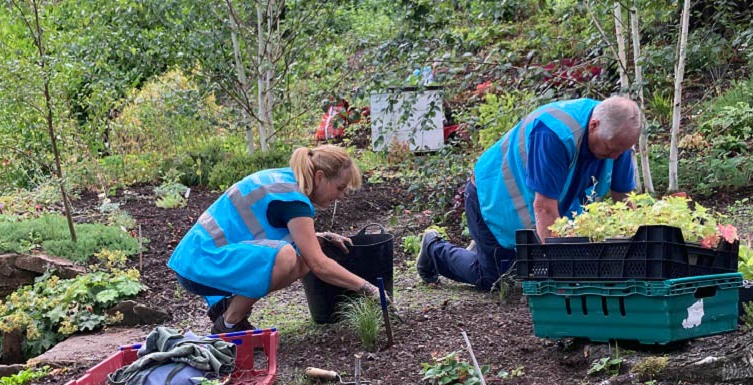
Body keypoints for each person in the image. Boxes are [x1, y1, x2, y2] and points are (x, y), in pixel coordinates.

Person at [416, 96, 642, 290]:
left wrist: (636, 253)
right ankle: (434, 249)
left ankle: (489, 248)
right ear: (593, 125)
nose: (615, 157)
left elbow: (623, 200)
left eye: (622, 151)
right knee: (498, 279)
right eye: (611, 149)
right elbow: (544, 208)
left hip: (540, 212)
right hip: (492, 197)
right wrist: (562, 278)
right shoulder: (554, 133)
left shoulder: (615, 136)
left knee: (535, 270)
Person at [168, 144, 387, 333]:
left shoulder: (287, 181)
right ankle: (229, 322)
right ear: (320, 177)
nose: (340, 196)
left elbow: (255, 232)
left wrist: (318, 236)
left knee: (298, 260)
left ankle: (228, 309)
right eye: (339, 188)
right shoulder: (293, 200)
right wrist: (369, 289)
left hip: (201, 261)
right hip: (200, 265)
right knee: (286, 257)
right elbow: (319, 265)